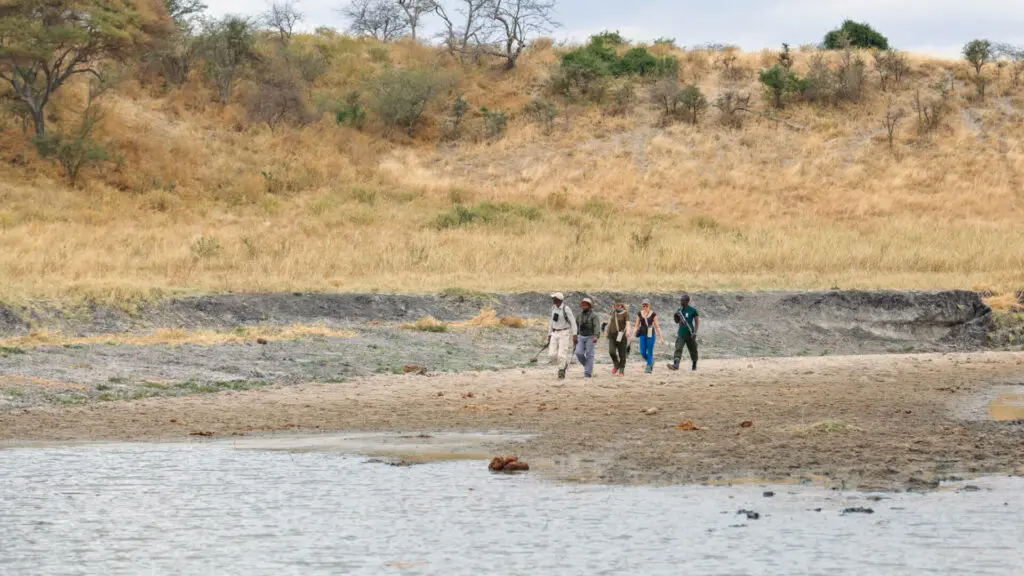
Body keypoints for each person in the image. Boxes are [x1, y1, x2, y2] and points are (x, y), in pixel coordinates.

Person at [547, 292, 577, 380]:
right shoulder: (553, 308)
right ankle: (564, 363)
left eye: (554, 298)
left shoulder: (566, 309)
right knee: (551, 355)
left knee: (561, 354)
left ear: (559, 299)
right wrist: (549, 334)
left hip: (564, 333)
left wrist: (575, 334)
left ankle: (561, 371)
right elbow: (551, 322)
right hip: (554, 333)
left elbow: (573, 322)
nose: (553, 299)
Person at [668, 294, 700, 372]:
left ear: (687, 301)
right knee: (678, 348)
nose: (681, 302)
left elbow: (697, 322)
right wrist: (675, 316)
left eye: (682, 300)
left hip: (690, 333)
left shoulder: (693, 310)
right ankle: (676, 365)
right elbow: (676, 321)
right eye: (681, 300)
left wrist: (694, 333)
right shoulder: (679, 310)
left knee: (693, 350)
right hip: (681, 333)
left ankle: (694, 364)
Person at [635, 298, 664, 374]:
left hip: (651, 335)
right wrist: (631, 335)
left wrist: (661, 337)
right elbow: (636, 326)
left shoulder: (653, 314)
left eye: (646, 305)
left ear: (649, 305)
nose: (645, 307)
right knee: (642, 352)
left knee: (650, 351)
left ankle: (648, 368)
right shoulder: (639, 314)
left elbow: (657, 326)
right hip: (642, 335)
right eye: (643, 305)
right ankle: (651, 362)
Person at [574, 297, 601, 378]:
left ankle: (587, 374)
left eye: (585, 305)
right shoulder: (579, 315)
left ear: (590, 306)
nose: (584, 306)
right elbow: (576, 326)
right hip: (580, 336)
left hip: (591, 337)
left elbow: (597, 327)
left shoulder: (594, 316)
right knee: (578, 353)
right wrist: (575, 336)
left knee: (589, 355)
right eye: (582, 305)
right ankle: (588, 367)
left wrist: (596, 336)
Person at [605, 302, 631, 376]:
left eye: (618, 305)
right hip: (612, 335)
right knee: (611, 351)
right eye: (615, 305)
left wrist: (628, 331)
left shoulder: (625, 313)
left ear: (621, 305)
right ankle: (616, 364)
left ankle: (622, 369)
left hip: (621, 336)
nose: (616, 306)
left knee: (622, 354)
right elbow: (609, 322)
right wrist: (606, 331)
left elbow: (628, 323)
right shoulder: (613, 312)